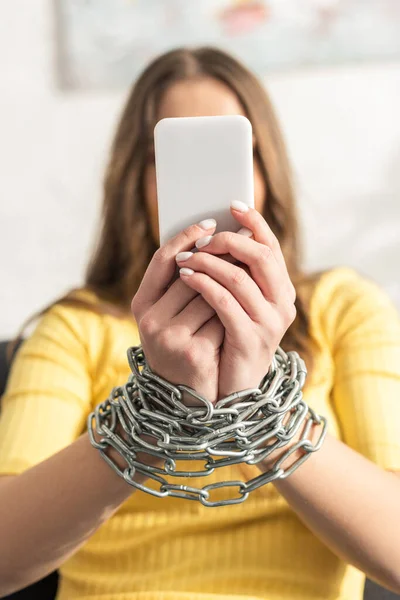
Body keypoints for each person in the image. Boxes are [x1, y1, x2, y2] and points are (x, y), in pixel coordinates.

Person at [0, 47, 400, 600]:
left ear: (266, 171)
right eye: (176, 158)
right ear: (137, 179)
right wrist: (157, 403)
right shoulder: (76, 326)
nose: (205, 187)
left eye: (233, 155)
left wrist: (259, 403)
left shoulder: (343, 308)